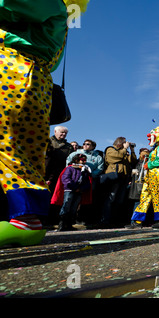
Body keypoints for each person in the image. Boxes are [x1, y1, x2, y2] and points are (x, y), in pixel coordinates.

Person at [0, 0, 88, 248]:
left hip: (14, 70)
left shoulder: (52, 3)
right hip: (19, 71)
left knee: (10, 145)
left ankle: (25, 218)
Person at [128, 127, 159, 229]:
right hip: (150, 175)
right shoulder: (155, 149)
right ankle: (137, 221)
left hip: (157, 174)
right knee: (144, 197)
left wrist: (149, 164)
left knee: (157, 197)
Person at [100, 137, 137, 228]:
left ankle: (114, 221)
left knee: (119, 201)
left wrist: (132, 151)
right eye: (124, 143)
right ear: (120, 142)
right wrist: (125, 149)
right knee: (110, 199)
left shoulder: (124, 152)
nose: (126, 145)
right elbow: (116, 157)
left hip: (123, 179)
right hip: (114, 178)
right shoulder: (110, 149)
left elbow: (133, 161)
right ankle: (105, 221)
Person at [66, 139, 104, 225]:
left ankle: (81, 218)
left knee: (86, 199)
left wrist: (90, 175)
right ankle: (68, 219)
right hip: (74, 180)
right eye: (84, 144)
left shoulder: (97, 157)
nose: (85, 145)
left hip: (89, 180)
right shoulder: (75, 153)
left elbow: (100, 168)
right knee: (71, 199)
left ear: (93, 146)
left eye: (88, 144)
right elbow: (68, 163)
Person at [51, 154, 92, 231]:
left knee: (74, 207)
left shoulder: (85, 170)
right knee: (66, 205)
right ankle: (62, 224)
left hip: (79, 191)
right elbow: (66, 179)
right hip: (69, 190)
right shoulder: (70, 168)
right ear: (76, 160)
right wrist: (74, 187)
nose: (84, 162)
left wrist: (81, 189)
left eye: (85, 160)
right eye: (82, 160)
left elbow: (87, 182)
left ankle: (69, 224)